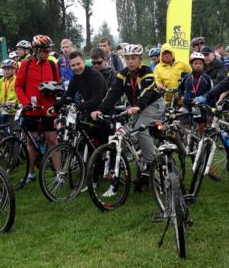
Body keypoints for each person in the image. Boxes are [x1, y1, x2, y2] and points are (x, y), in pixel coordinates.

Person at [91, 44, 165, 193]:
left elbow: (146, 92)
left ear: (140, 59)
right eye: (127, 58)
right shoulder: (123, 74)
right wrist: (100, 109)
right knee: (125, 135)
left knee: (141, 130)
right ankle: (138, 167)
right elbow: (113, 93)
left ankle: (151, 164)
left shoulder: (147, 72)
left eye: (133, 58)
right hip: (136, 108)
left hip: (153, 104)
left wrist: (137, 106)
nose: (130, 61)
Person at [14, 35, 61, 183]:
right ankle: (30, 173)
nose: (48, 54)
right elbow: (18, 87)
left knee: (53, 140)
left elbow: (58, 84)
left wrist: (54, 90)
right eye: (45, 51)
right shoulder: (26, 65)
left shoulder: (52, 65)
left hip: (48, 108)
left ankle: (59, 174)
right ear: (36, 50)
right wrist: (26, 102)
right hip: (32, 109)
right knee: (31, 141)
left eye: (49, 51)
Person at [52, 51, 109, 144]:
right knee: (86, 145)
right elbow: (68, 95)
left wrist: (77, 107)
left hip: (102, 112)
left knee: (102, 148)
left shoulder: (95, 75)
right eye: (73, 65)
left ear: (84, 61)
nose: (76, 67)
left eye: (78, 64)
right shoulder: (76, 77)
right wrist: (55, 106)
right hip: (88, 112)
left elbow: (96, 99)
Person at [182, 52, 213, 136]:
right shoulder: (187, 77)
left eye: (200, 63)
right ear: (191, 64)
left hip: (199, 106)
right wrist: (182, 96)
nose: (198, 65)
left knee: (201, 127)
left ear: (203, 65)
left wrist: (210, 108)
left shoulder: (206, 78)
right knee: (185, 127)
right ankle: (186, 144)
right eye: (195, 63)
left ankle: (201, 143)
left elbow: (211, 93)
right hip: (187, 105)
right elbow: (180, 88)